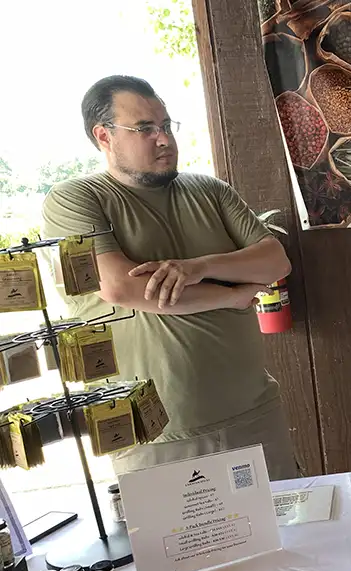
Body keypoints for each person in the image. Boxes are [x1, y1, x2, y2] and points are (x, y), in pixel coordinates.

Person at [41, 75, 299, 480]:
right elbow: (122, 286)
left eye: (166, 125)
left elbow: (274, 262)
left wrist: (197, 267)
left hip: (254, 413)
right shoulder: (75, 199)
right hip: (155, 433)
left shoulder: (210, 190)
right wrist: (230, 295)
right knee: (185, 544)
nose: (163, 139)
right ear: (104, 136)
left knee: (293, 537)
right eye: (144, 128)